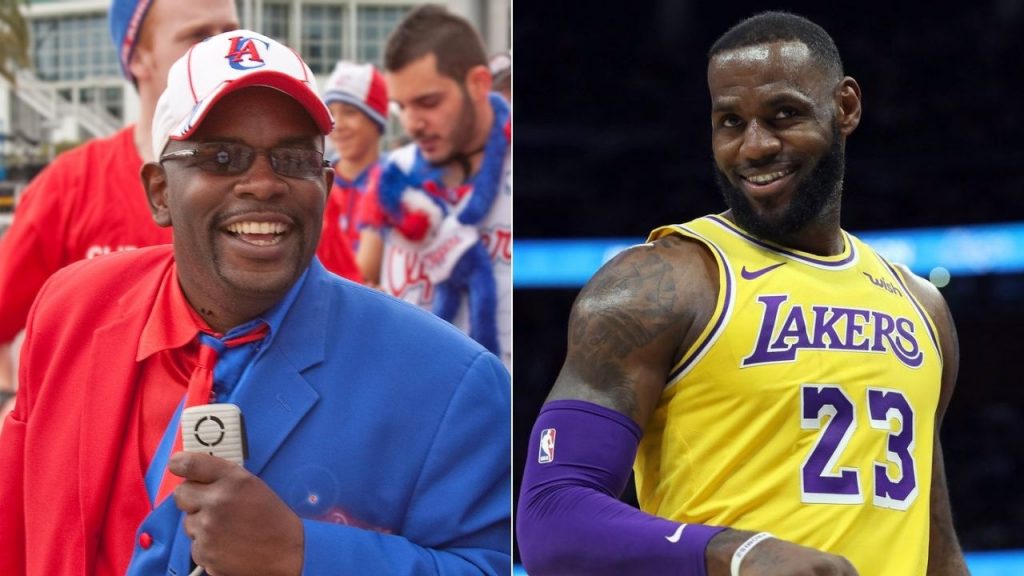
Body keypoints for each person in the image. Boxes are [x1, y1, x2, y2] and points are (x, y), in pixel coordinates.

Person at [0, 30, 510, 575]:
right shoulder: (72, 308)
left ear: (327, 185)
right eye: (222, 156)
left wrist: (301, 555)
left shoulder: (451, 382)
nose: (263, 184)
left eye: (293, 159)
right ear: (159, 191)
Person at [517, 11, 968, 576]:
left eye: (783, 115)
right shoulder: (661, 285)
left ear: (846, 107)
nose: (753, 147)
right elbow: (550, 517)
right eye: (730, 122)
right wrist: (738, 553)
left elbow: (938, 551)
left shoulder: (922, 307)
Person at [0, 0, 252, 416]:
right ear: (139, 58)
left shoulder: (278, 187)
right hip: (99, 466)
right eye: (198, 37)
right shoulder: (69, 186)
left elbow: (344, 317)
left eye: (230, 33)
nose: (222, 52)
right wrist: (15, 410)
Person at [373, 4, 511, 367]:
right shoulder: (396, 177)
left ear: (479, 83)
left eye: (428, 102)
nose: (413, 123)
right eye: (401, 106)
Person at [317, 60, 389, 285]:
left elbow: (365, 276)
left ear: (377, 121)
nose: (338, 124)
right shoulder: (314, 179)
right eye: (332, 113)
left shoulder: (396, 181)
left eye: (350, 112)